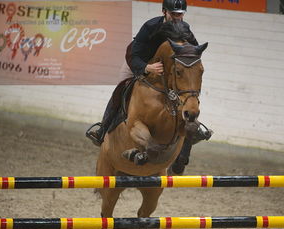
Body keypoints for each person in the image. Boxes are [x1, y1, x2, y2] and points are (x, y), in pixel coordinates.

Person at [86, 0, 212, 173]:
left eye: (180, 14)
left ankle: (190, 133)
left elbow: (192, 53)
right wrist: (146, 68)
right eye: (173, 13)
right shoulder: (150, 27)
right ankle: (103, 127)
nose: (177, 17)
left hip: (167, 72)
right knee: (121, 88)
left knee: (184, 95)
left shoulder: (185, 29)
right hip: (138, 63)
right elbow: (133, 54)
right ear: (164, 11)